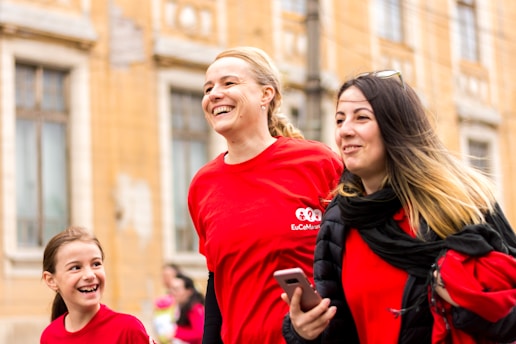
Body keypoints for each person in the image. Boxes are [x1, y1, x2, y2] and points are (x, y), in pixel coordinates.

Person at [282, 70, 516, 344]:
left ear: (395, 126)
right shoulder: (338, 219)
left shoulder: (462, 202)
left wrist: (465, 301)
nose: (345, 130)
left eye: (361, 117)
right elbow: (338, 327)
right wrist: (303, 331)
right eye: (339, 119)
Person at [188, 46, 344, 343]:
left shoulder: (318, 163)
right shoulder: (202, 185)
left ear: (266, 94)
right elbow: (216, 284)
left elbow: (354, 260)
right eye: (208, 88)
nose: (214, 94)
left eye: (229, 83)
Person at [40, 226, 157, 343]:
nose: (90, 275)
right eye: (76, 267)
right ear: (51, 280)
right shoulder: (49, 336)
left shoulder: (128, 330)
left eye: (96, 264)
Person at [168, 273, 205, 344]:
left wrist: (176, 334)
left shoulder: (195, 308)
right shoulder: (180, 306)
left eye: (176, 289)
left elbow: (200, 333)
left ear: (189, 291)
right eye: (171, 289)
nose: (172, 292)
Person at [153, 263, 182, 344]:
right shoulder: (163, 295)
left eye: (168, 276)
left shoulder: (185, 295)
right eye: (163, 276)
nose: (165, 279)